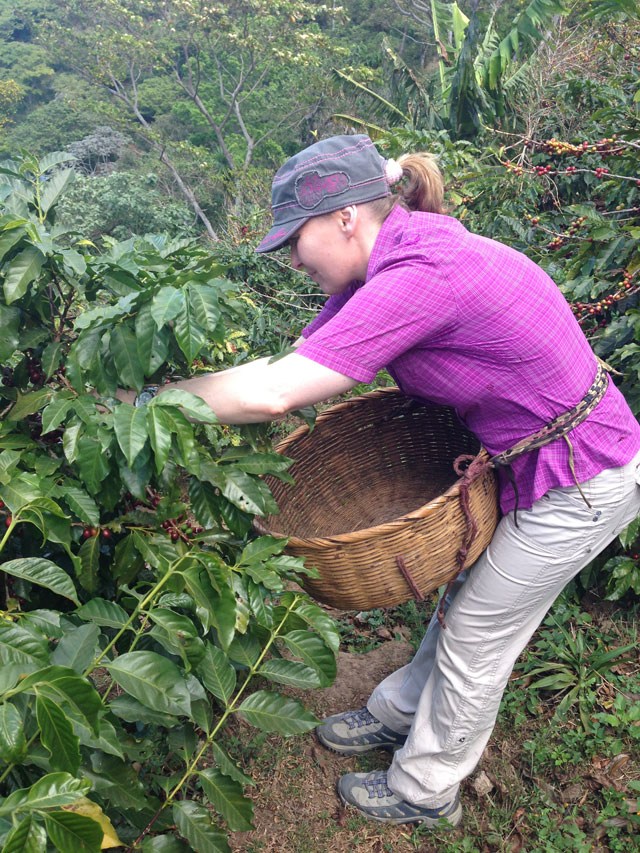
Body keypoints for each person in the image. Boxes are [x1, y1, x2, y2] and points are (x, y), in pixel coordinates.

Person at [132, 134, 640, 829]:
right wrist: (163, 391)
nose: (292, 258)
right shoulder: (395, 255)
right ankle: (398, 713)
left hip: (583, 477)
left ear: (344, 219)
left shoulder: (417, 277)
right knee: (465, 596)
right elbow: (287, 366)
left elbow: (278, 395)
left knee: (478, 634)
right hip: (539, 460)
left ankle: (427, 788)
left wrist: (145, 406)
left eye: (295, 239)